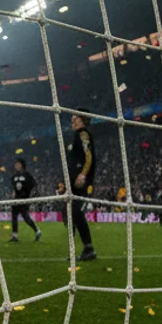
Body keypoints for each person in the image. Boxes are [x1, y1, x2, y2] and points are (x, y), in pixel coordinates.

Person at [68, 112, 97, 261]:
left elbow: (89, 155)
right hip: (73, 180)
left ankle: (88, 249)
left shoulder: (83, 134)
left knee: (76, 213)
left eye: (75, 119)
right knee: (71, 213)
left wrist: (83, 174)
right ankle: (82, 249)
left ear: (82, 121)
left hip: (80, 180)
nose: (72, 121)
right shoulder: (76, 135)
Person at [9, 158, 41, 242]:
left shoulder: (27, 175)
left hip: (24, 199)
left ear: (22, 165)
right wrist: (14, 192)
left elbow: (33, 185)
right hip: (16, 200)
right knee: (14, 216)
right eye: (16, 164)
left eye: (18, 164)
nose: (16, 165)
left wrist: (29, 194)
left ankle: (37, 231)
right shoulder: (14, 176)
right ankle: (15, 236)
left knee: (26, 217)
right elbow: (14, 187)